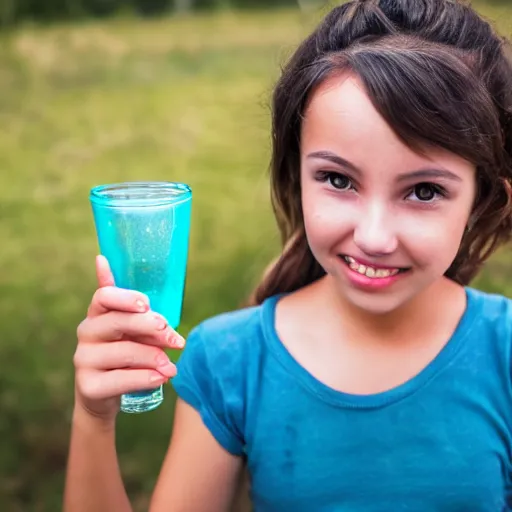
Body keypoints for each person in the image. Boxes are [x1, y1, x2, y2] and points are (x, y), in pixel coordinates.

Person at [64, 0, 512, 510]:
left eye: (425, 191)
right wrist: (93, 419)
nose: (373, 236)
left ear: (485, 201)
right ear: (295, 177)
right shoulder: (229, 363)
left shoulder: (505, 355)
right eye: (339, 180)